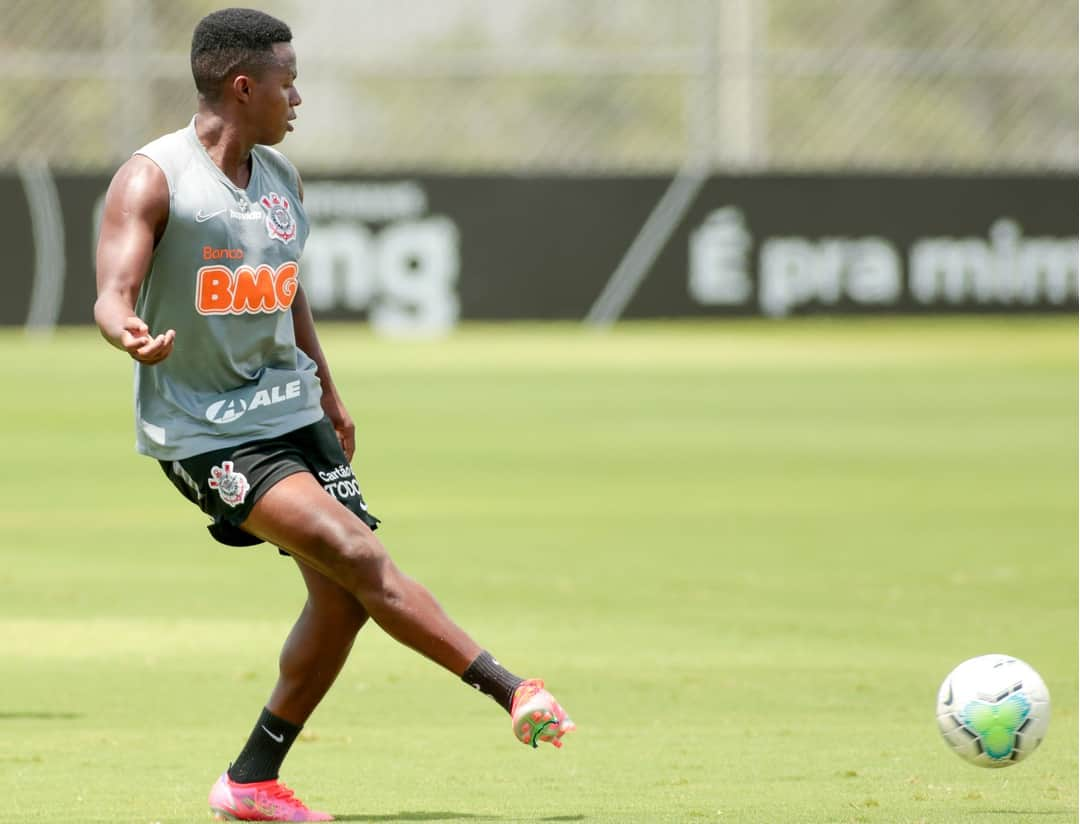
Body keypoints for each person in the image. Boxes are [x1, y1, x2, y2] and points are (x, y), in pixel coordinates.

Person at [93, 8, 574, 822]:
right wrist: (127, 331)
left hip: (292, 407)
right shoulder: (155, 177)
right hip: (208, 430)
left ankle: (249, 781)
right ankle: (511, 687)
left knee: (344, 597)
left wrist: (327, 386)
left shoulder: (283, 179)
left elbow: (287, 286)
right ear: (243, 87)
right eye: (288, 81)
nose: (299, 97)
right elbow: (112, 290)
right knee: (357, 554)